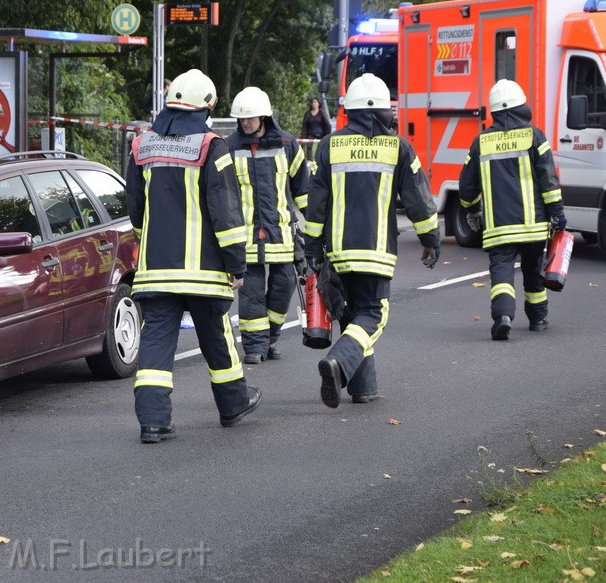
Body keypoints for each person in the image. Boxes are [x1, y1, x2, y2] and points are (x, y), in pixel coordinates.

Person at [125, 68, 261, 444]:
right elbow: (226, 212)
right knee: (217, 336)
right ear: (206, 107)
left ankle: (152, 421)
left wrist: (150, 239)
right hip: (204, 270)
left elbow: (135, 207)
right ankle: (233, 404)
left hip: (155, 270)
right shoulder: (211, 146)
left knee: (156, 342)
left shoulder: (142, 145)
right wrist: (236, 264)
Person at [304, 73, 440, 408]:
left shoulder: (329, 146)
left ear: (349, 109)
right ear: (384, 111)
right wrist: (430, 240)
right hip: (375, 251)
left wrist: (311, 247)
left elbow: (315, 203)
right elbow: (419, 202)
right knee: (373, 315)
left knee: (352, 315)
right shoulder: (399, 147)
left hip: (337, 251)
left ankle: (363, 387)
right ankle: (338, 361)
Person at [458, 79, 564, 340]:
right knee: (533, 270)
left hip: (499, 227)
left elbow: (467, 185)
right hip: (533, 225)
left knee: (501, 272)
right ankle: (538, 319)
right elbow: (548, 180)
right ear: (521, 106)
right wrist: (557, 213)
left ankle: (503, 316)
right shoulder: (534, 136)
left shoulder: (481, 142)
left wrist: (472, 211)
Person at [225, 86, 310, 365]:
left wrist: (318, 226)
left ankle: (271, 336)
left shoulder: (287, 145)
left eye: (249, 118)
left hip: (281, 234)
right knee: (250, 295)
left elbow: (303, 190)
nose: (244, 123)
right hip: (245, 236)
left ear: (264, 117)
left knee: (283, 287)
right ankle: (255, 347)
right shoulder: (229, 146)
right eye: (241, 119)